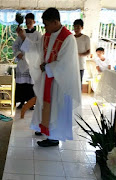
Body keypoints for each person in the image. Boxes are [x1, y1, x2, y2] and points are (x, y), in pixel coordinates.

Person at [17, 8, 81, 147]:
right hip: (47, 77)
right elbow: (35, 49)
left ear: (55, 21)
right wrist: (23, 37)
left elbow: (66, 63)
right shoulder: (47, 35)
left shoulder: (68, 38)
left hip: (59, 81)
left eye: (46, 24)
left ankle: (53, 137)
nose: (45, 27)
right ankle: (44, 127)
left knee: (55, 107)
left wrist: (47, 67)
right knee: (44, 104)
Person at [12, 13, 42, 109]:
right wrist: (18, 54)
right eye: (26, 22)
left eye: (30, 22)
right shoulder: (21, 33)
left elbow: (38, 47)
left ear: (34, 22)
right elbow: (15, 46)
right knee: (21, 84)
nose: (28, 24)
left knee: (31, 84)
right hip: (22, 61)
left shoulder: (37, 34)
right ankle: (21, 102)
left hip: (32, 62)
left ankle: (31, 103)